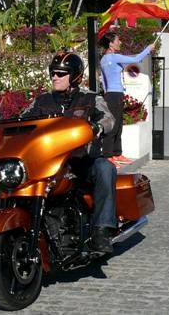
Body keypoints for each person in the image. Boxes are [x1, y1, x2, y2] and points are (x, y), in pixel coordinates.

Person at [22, 52, 116, 254]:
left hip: (80, 162)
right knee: (6, 179)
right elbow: (22, 120)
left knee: (105, 168)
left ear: (74, 76)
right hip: (48, 164)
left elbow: (109, 119)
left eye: (60, 73)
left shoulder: (90, 98)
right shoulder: (42, 101)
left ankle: (102, 231)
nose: (54, 77)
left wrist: (97, 127)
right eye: (52, 73)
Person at [98, 32, 152, 167]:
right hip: (114, 95)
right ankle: (108, 155)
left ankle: (117, 153)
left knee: (118, 126)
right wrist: (149, 48)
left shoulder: (103, 59)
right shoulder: (113, 57)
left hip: (113, 94)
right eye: (117, 40)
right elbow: (137, 58)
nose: (120, 42)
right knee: (113, 126)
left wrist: (107, 93)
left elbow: (104, 81)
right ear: (110, 44)